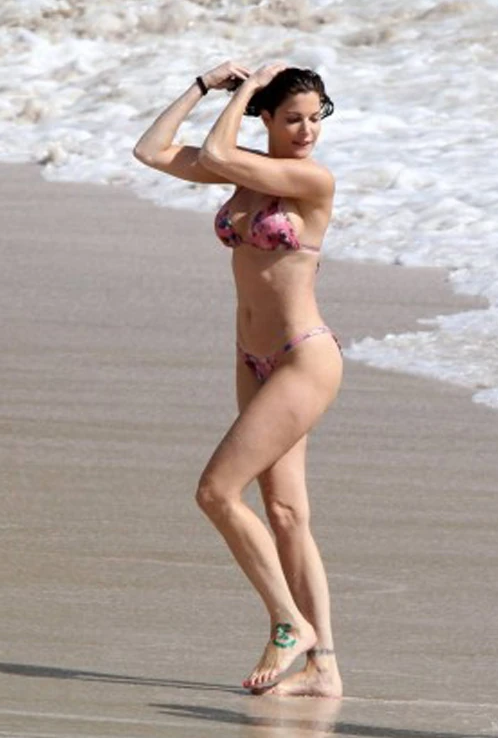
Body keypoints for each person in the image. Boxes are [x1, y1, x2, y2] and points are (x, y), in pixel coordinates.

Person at [133, 60, 343, 697]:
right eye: (293, 119)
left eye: (316, 118)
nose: (307, 130)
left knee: (216, 492)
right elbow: (151, 150)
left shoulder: (310, 179)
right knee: (285, 512)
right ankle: (324, 668)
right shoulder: (244, 169)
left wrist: (247, 88)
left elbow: (218, 152)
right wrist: (202, 86)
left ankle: (288, 622)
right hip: (252, 358)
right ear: (267, 120)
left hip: (303, 358)